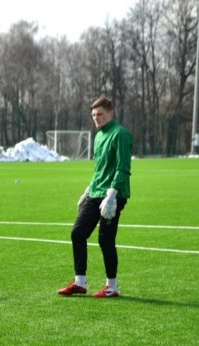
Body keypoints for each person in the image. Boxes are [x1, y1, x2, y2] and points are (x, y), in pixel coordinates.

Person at [57, 96, 132, 298]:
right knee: (77, 233)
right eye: (93, 115)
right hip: (96, 192)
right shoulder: (98, 136)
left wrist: (112, 196)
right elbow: (100, 168)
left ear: (111, 113)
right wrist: (88, 189)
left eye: (100, 114)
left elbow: (123, 168)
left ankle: (112, 286)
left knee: (105, 240)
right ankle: (80, 282)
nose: (96, 118)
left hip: (113, 195)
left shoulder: (120, 134)